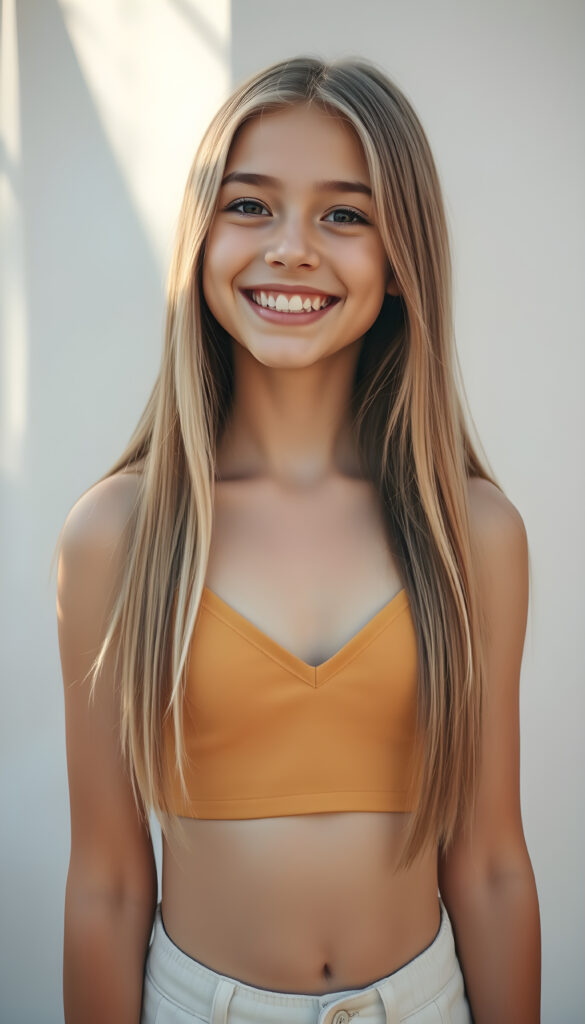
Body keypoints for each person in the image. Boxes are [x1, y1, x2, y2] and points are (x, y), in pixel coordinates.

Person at [55, 55, 541, 1024]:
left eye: (344, 215)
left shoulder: (475, 534)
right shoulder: (115, 535)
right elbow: (107, 882)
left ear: (400, 260)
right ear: (201, 240)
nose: (291, 248)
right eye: (250, 206)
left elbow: (489, 863)